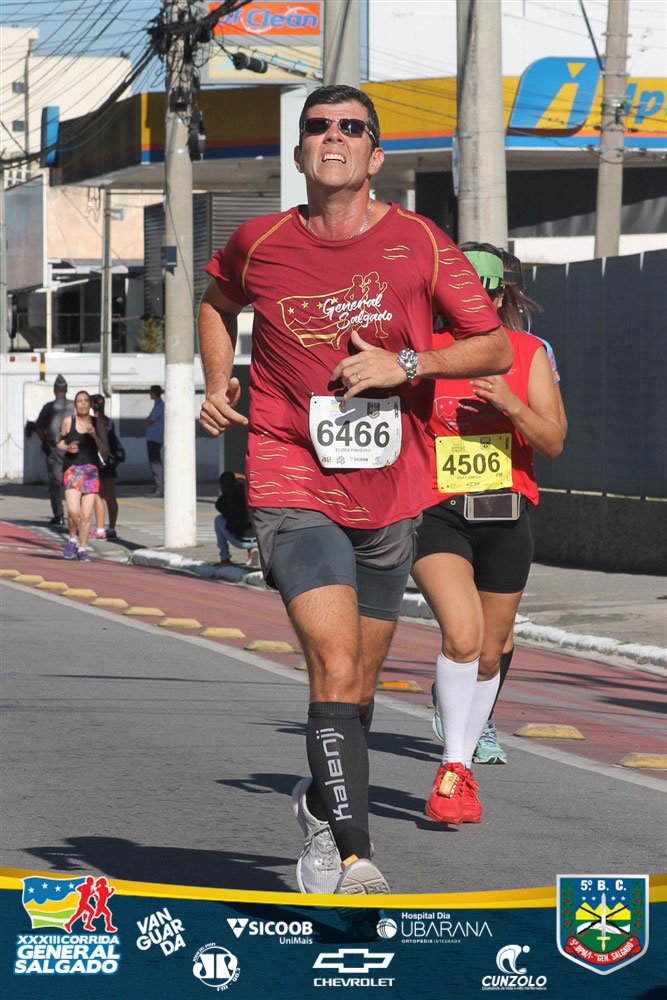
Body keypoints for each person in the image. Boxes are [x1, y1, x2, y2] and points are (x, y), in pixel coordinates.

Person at [198, 84, 512, 895]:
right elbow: (216, 302)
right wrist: (216, 378)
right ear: (299, 151)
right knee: (334, 667)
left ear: (374, 154)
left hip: (389, 491)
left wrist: (406, 364)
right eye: (317, 127)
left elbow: (491, 346)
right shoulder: (259, 240)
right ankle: (350, 857)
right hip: (289, 472)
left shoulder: (420, 242)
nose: (331, 137)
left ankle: (319, 802)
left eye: (350, 127)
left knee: (358, 691)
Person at [412, 243, 565, 826]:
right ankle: (453, 766)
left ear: (500, 296)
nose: (470, 301)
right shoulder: (423, 354)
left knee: (491, 651)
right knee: (462, 634)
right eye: (459, 291)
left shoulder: (527, 353)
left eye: (484, 291)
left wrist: (512, 406)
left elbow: (553, 441)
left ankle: (462, 762)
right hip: (436, 512)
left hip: (506, 515)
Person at [57, 390, 109, 561]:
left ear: (90, 404)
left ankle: (82, 548)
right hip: (72, 470)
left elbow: (105, 451)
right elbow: (59, 442)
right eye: (79, 400)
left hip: (90, 472)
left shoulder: (97, 423)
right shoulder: (68, 421)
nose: (83, 403)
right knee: (73, 512)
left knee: (86, 516)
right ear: (75, 404)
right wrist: (67, 447)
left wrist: (94, 435)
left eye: (86, 400)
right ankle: (72, 539)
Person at [35, 374, 75, 525]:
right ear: (66, 390)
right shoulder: (75, 406)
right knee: (74, 481)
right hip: (73, 448)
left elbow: (39, 429)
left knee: (56, 482)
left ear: (54, 390)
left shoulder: (48, 407)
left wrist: (45, 443)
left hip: (54, 448)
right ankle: (75, 512)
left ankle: (59, 514)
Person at [90, 394, 120, 540]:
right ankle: (112, 528)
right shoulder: (110, 422)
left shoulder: (92, 422)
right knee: (111, 497)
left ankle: (100, 528)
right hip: (110, 461)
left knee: (98, 496)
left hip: (97, 460)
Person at [214, 471, 259, 568]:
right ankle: (253, 549)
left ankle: (225, 558)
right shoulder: (250, 490)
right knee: (250, 518)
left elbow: (220, 507)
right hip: (258, 539)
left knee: (218, 520)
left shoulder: (226, 496)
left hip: (241, 541)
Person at [145, 385, 164, 497]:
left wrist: (147, 420)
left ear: (154, 393)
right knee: (154, 463)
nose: (149, 394)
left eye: (150, 392)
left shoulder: (159, 405)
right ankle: (158, 487)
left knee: (155, 463)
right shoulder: (157, 405)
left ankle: (159, 488)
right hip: (153, 438)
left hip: (155, 438)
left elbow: (149, 421)